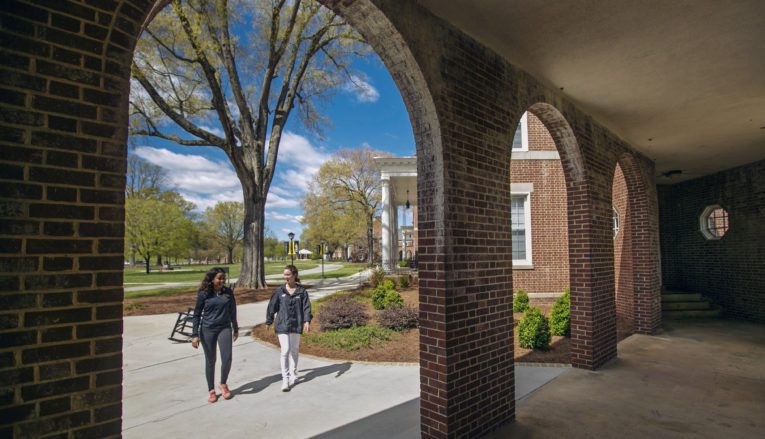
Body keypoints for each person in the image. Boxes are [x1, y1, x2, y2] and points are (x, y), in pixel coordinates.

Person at [191, 267, 239, 403]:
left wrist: (235, 328)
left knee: (227, 358)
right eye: (219, 278)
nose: (222, 281)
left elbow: (233, 311)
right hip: (208, 330)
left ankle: (223, 384)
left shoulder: (228, 292)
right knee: (211, 360)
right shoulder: (204, 294)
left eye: (224, 278)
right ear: (212, 279)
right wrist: (194, 335)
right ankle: (211, 390)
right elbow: (196, 315)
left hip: (224, 328)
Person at [265, 264, 312, 392]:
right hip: (282, 325)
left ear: (294, 275)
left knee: (295, 350)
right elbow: (272, 306)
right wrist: (268, 321)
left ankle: (294, 375)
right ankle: (285, 379)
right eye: (284, 274)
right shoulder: (280, 291)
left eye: (288, 275)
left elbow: (306, 307)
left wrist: (307, 320)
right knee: (285, 350)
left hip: (296, 324)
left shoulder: (301, 291)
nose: (285, 277)